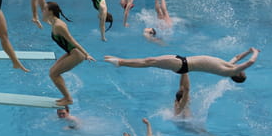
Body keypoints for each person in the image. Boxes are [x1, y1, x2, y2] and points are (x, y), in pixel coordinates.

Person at [104, 47, 261, 83]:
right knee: (149, 60)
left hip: (182, 65)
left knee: (149, 62)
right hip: (182, 60)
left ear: (239, 75)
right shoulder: (229, 66)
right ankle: (120, 61)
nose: (243, 70)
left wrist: (255, 53)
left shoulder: (229, 72)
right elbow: (239, 57)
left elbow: (250, 62)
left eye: (244, 72)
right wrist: (249, 50)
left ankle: (120, 63)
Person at [42, 1, 95, 106]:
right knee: (52, 72)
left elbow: (72, 40)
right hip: (71, 52)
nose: (42, 11)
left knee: (54, 74)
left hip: (76, 54)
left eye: (44, 9)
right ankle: (66, 97)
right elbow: (45, 19)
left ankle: (68, 99)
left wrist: (86, 54)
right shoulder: (53, 21)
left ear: (51, 12)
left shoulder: (58, 25)